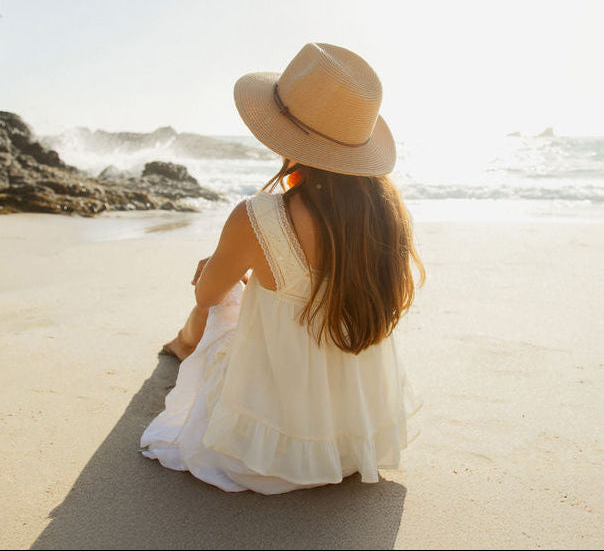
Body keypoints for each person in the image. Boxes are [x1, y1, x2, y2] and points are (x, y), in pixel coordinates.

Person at [140, 42, 425, 494]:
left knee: (220, 293)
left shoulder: (260, 215)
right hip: (357, 438)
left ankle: (182, 343)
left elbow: (208, 296)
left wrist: (230, 267)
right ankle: (182, 342)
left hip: (270, 447)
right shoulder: (387, 216)